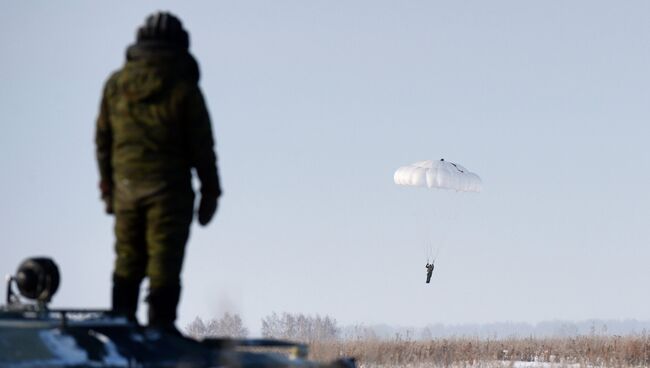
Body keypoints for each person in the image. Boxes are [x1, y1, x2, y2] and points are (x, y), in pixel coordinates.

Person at [95, 12, 221, 333]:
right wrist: (210, 192)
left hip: (125, 189)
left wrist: (109, 187)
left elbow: (103, 141)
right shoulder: (184, 89)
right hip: (170, 191)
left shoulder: (115, 85)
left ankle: (120, 327)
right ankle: (161, 332)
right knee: (163, 261)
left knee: (127, 259)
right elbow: (202, 147)